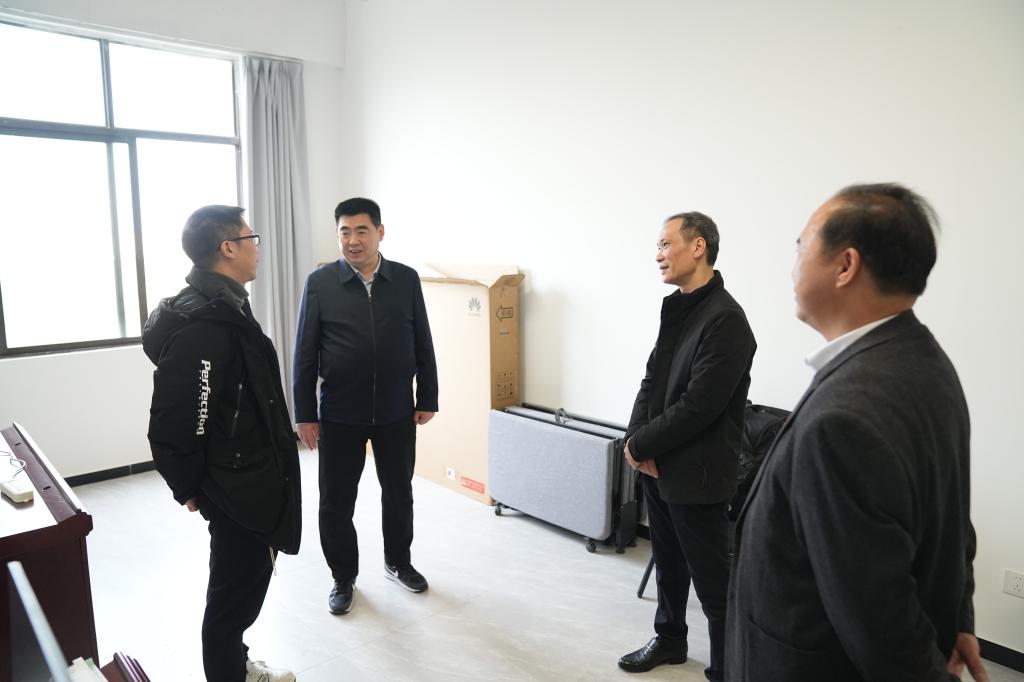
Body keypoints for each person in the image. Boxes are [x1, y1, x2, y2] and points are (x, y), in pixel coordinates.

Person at [726, 184, 987, 682]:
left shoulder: (842, 419)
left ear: (846, 265)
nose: (793, 266)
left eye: (801, 247)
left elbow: (883, 629)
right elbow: (954, 520)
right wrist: (959, 617)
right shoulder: (926, 361)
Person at [144, 205, 301, 682]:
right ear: (228, 248)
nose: (257, 247)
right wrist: (189, 486)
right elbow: (176, 421)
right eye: (251, 238)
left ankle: (236, 664)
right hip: (235, 486)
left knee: (243, 588)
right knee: (232, 601)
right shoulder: (203, 325)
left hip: (250, 474)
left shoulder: (226, 304)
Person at [618, 212, 756, 681]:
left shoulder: (727, 320)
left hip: (697, 475)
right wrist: (635, 440)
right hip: (658, 466)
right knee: (669, 567)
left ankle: (728, 669)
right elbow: (652, 381)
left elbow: (700, 406)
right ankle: (671, 639)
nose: (658, 254)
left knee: (715, 587)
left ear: (698, 247)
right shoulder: (679, 308)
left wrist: (641, 444)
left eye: (665, 244)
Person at [293, 197, 438, 615]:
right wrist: (305, 414)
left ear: (380, 232)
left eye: (361, 231)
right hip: (340, 413)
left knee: (399, 493)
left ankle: (398, 562)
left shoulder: (406, 279)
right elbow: (305, 353)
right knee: (336, 502)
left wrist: (428, 396)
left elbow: (422, 340)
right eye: (345, 232)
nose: (353, 240)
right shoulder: (320, 283)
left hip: (396, 410)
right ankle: (343, 576)